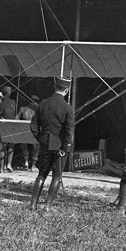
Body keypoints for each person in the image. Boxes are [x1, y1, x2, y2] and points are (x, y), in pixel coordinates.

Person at [29, 77, 75, 210]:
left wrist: (41, 138)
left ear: (55, 87)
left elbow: (33, 126)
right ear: (66, 90)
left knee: (41, 174)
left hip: (45, 143)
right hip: (60, 146)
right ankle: (48, 206)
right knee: (56, 176)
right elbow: (69, 131)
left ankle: (33, 204)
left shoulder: (43, 104)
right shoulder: (68, 108)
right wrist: (65, 147)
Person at [0, 85, 17, 172]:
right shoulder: (13, 102)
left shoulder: (1, 103)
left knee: (2, 147)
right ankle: (9, 164)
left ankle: (1, 168)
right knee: (11, 146)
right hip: (11, 126)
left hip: (3, 126)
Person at [16, 95, 40, 170]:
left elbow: (16, 119)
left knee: (24, 147)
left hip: (23, 130)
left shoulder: (22, 109)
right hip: (34, 130)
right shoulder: (39, 110)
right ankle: (33, 165)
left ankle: (26, 162)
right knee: (35, 147)